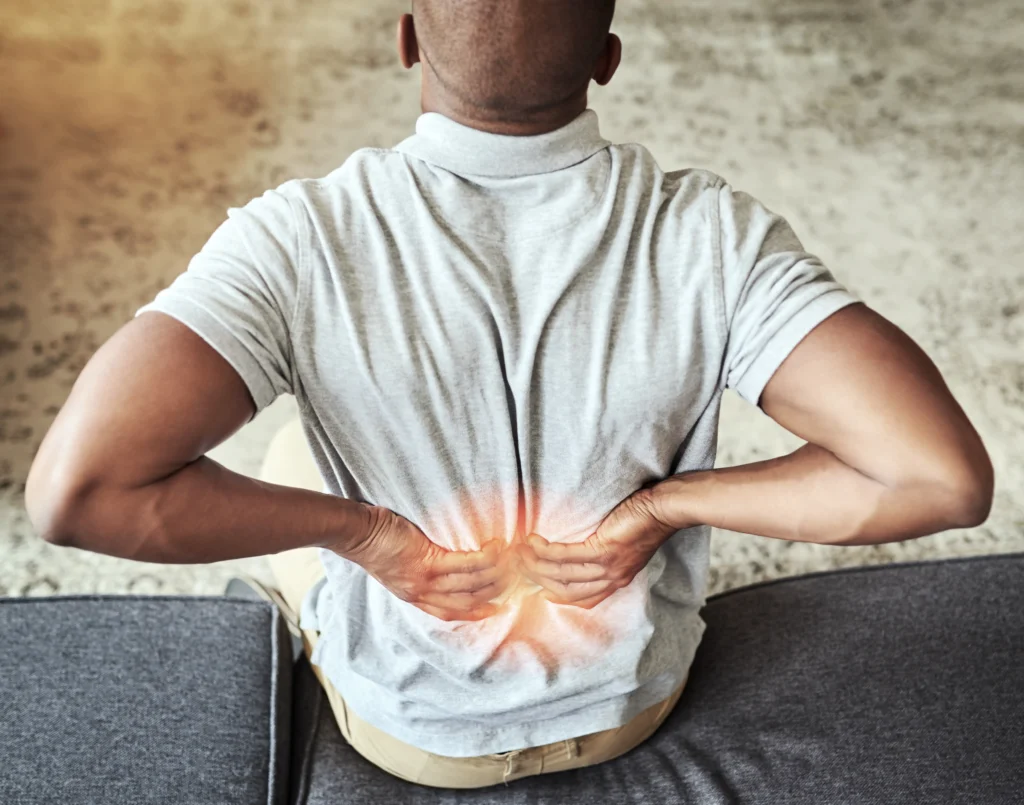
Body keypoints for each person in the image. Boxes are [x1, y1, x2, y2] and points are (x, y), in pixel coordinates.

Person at [25, 0, 993, 789]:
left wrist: (366, 535)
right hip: (631, 704)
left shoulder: (297, 239)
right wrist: (662, 505)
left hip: (418, 738)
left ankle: (317, 622)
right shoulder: (712, 237)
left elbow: (78, 492)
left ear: (404, 36)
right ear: (607, 58)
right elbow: (936, 476)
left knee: (288, 462)